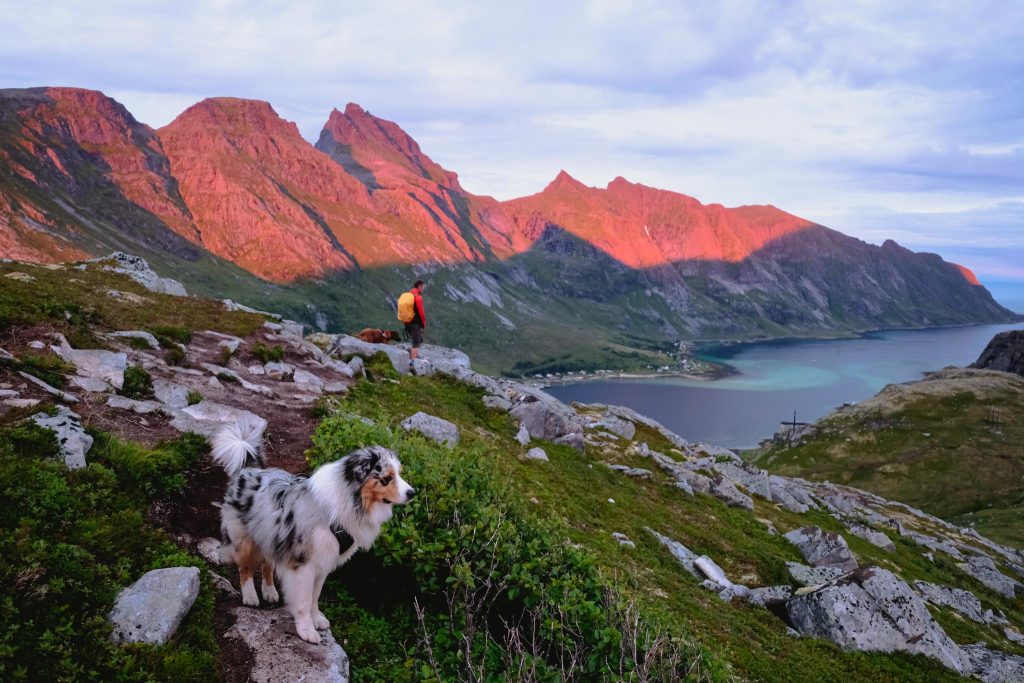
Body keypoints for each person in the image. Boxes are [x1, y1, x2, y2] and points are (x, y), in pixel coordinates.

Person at [403, 280, 426, 371]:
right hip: (415, 323)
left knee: (417, 339)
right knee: (416, 343)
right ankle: (412, 362)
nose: (424, 288)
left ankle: (411, 357)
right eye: (423, 286)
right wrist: (423, 324)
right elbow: (421, 313)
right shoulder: (418, 298)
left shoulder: (408, 295)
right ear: (419, 286)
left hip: (407, 322)